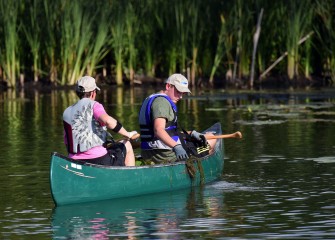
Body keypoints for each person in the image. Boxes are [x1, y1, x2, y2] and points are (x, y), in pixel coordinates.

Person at [138, 73, 217, 164]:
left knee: (208, 137)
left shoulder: (152, 98)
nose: (181, 96)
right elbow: (158, 130)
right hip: (165, 154)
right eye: (178, 91)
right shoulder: (162, 103)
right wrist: (177, 146)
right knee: (212, 141)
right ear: (168, 86)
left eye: (183, 93)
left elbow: (167, 130)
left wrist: (191, 133)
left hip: (151, 152)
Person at [63, 76, 138, 166]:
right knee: (127, 144)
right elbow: (108, 121)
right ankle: (130, 177)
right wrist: (127, 134)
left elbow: (67, 141)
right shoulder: (94, 105)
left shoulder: (67, 111)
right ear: (93, 93)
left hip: (75, 160)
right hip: (98, 159)